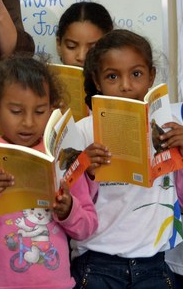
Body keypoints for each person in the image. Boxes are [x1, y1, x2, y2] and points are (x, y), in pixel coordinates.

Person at [0, 55, 97, 288]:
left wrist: (68, 210)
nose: (28, 122)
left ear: (52, 110)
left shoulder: (62, 155)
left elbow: (87, 227)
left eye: (39, 111)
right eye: (16, 111)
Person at [73, 30, 183, 287]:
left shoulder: (169, 126)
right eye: (113, 76)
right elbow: (72, 206)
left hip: (153, 264)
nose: (126, 85)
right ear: (97, 82)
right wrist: (86, 170)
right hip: (98, 263)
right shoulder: (84, 131)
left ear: (151, 76)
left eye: (136, 74)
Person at [54, 1, 113, 67]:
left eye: (93, 49)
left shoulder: (122, 77)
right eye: (71, 46)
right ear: (59, 45)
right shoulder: (44, 77)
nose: (82, 57)